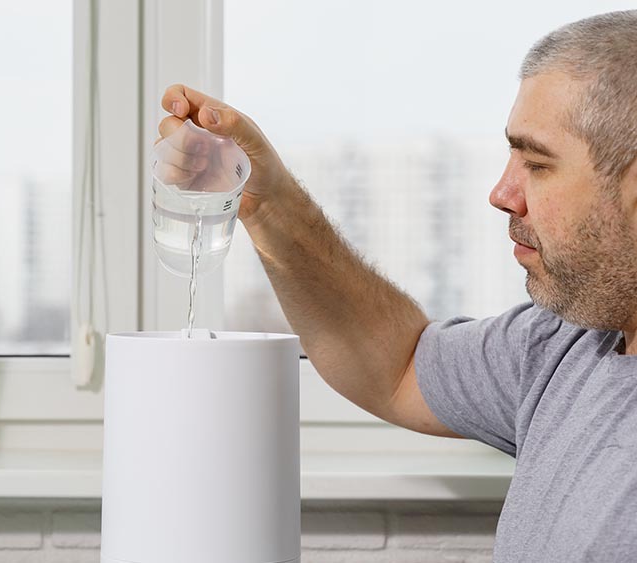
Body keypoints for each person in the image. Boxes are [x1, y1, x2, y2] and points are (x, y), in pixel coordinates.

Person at [157, 10, 637, 562]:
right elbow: (399, 365)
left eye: (538, 164)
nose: (503, 193)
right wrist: (266, 202)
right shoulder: (568, 344)